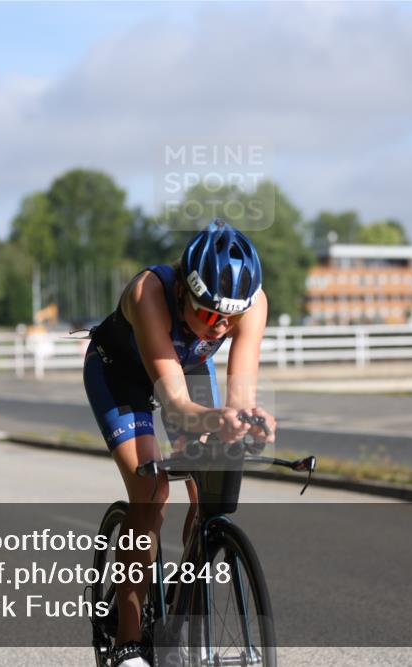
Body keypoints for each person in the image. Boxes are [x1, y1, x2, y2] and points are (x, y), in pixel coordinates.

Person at [83, 219, 277, 667]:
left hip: (186, 369)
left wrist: (248, 419)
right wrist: (214, 417)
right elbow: (173, 400)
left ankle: (185, 612)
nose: (220, 328)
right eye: (209, 314)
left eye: (230, 319)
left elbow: (240, 396)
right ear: (183, 293)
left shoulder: (252, 305)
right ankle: (129, 644)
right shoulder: (148, 293)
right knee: (152, 491)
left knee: (208, 485)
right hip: (122, 374)